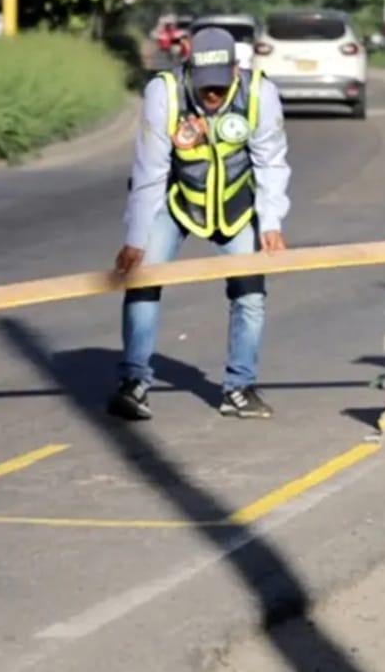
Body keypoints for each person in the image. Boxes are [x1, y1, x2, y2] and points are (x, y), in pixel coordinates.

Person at [108, 27, 291, 421]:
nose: (212, 96)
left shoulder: (260, 93)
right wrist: (136, 238)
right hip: (177, 199)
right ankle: (134, 383)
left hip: (236, 204)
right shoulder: (165, 92)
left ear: (236, 72)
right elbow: (150, 171)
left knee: (250, 296)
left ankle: (238, 388)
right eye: (205, 87)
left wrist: (271, 223)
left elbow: (271, 163)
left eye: (220, 87)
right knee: (141, 281)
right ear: (188, 69)